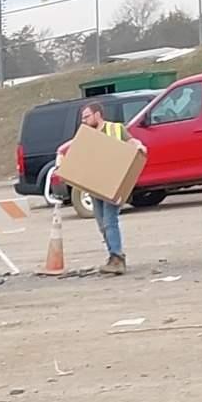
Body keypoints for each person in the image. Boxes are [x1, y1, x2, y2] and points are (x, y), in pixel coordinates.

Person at [80, 102, 128, 276]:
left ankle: (117, 258)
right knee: (102, 225)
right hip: (95, 186)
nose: (84, 121)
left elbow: (131, 142)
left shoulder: (115, 129)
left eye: (86, 116)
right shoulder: (86, 135)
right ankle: (113, 257)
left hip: (112, 184)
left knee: (110, 222)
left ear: (97, 114)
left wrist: (139, 146)